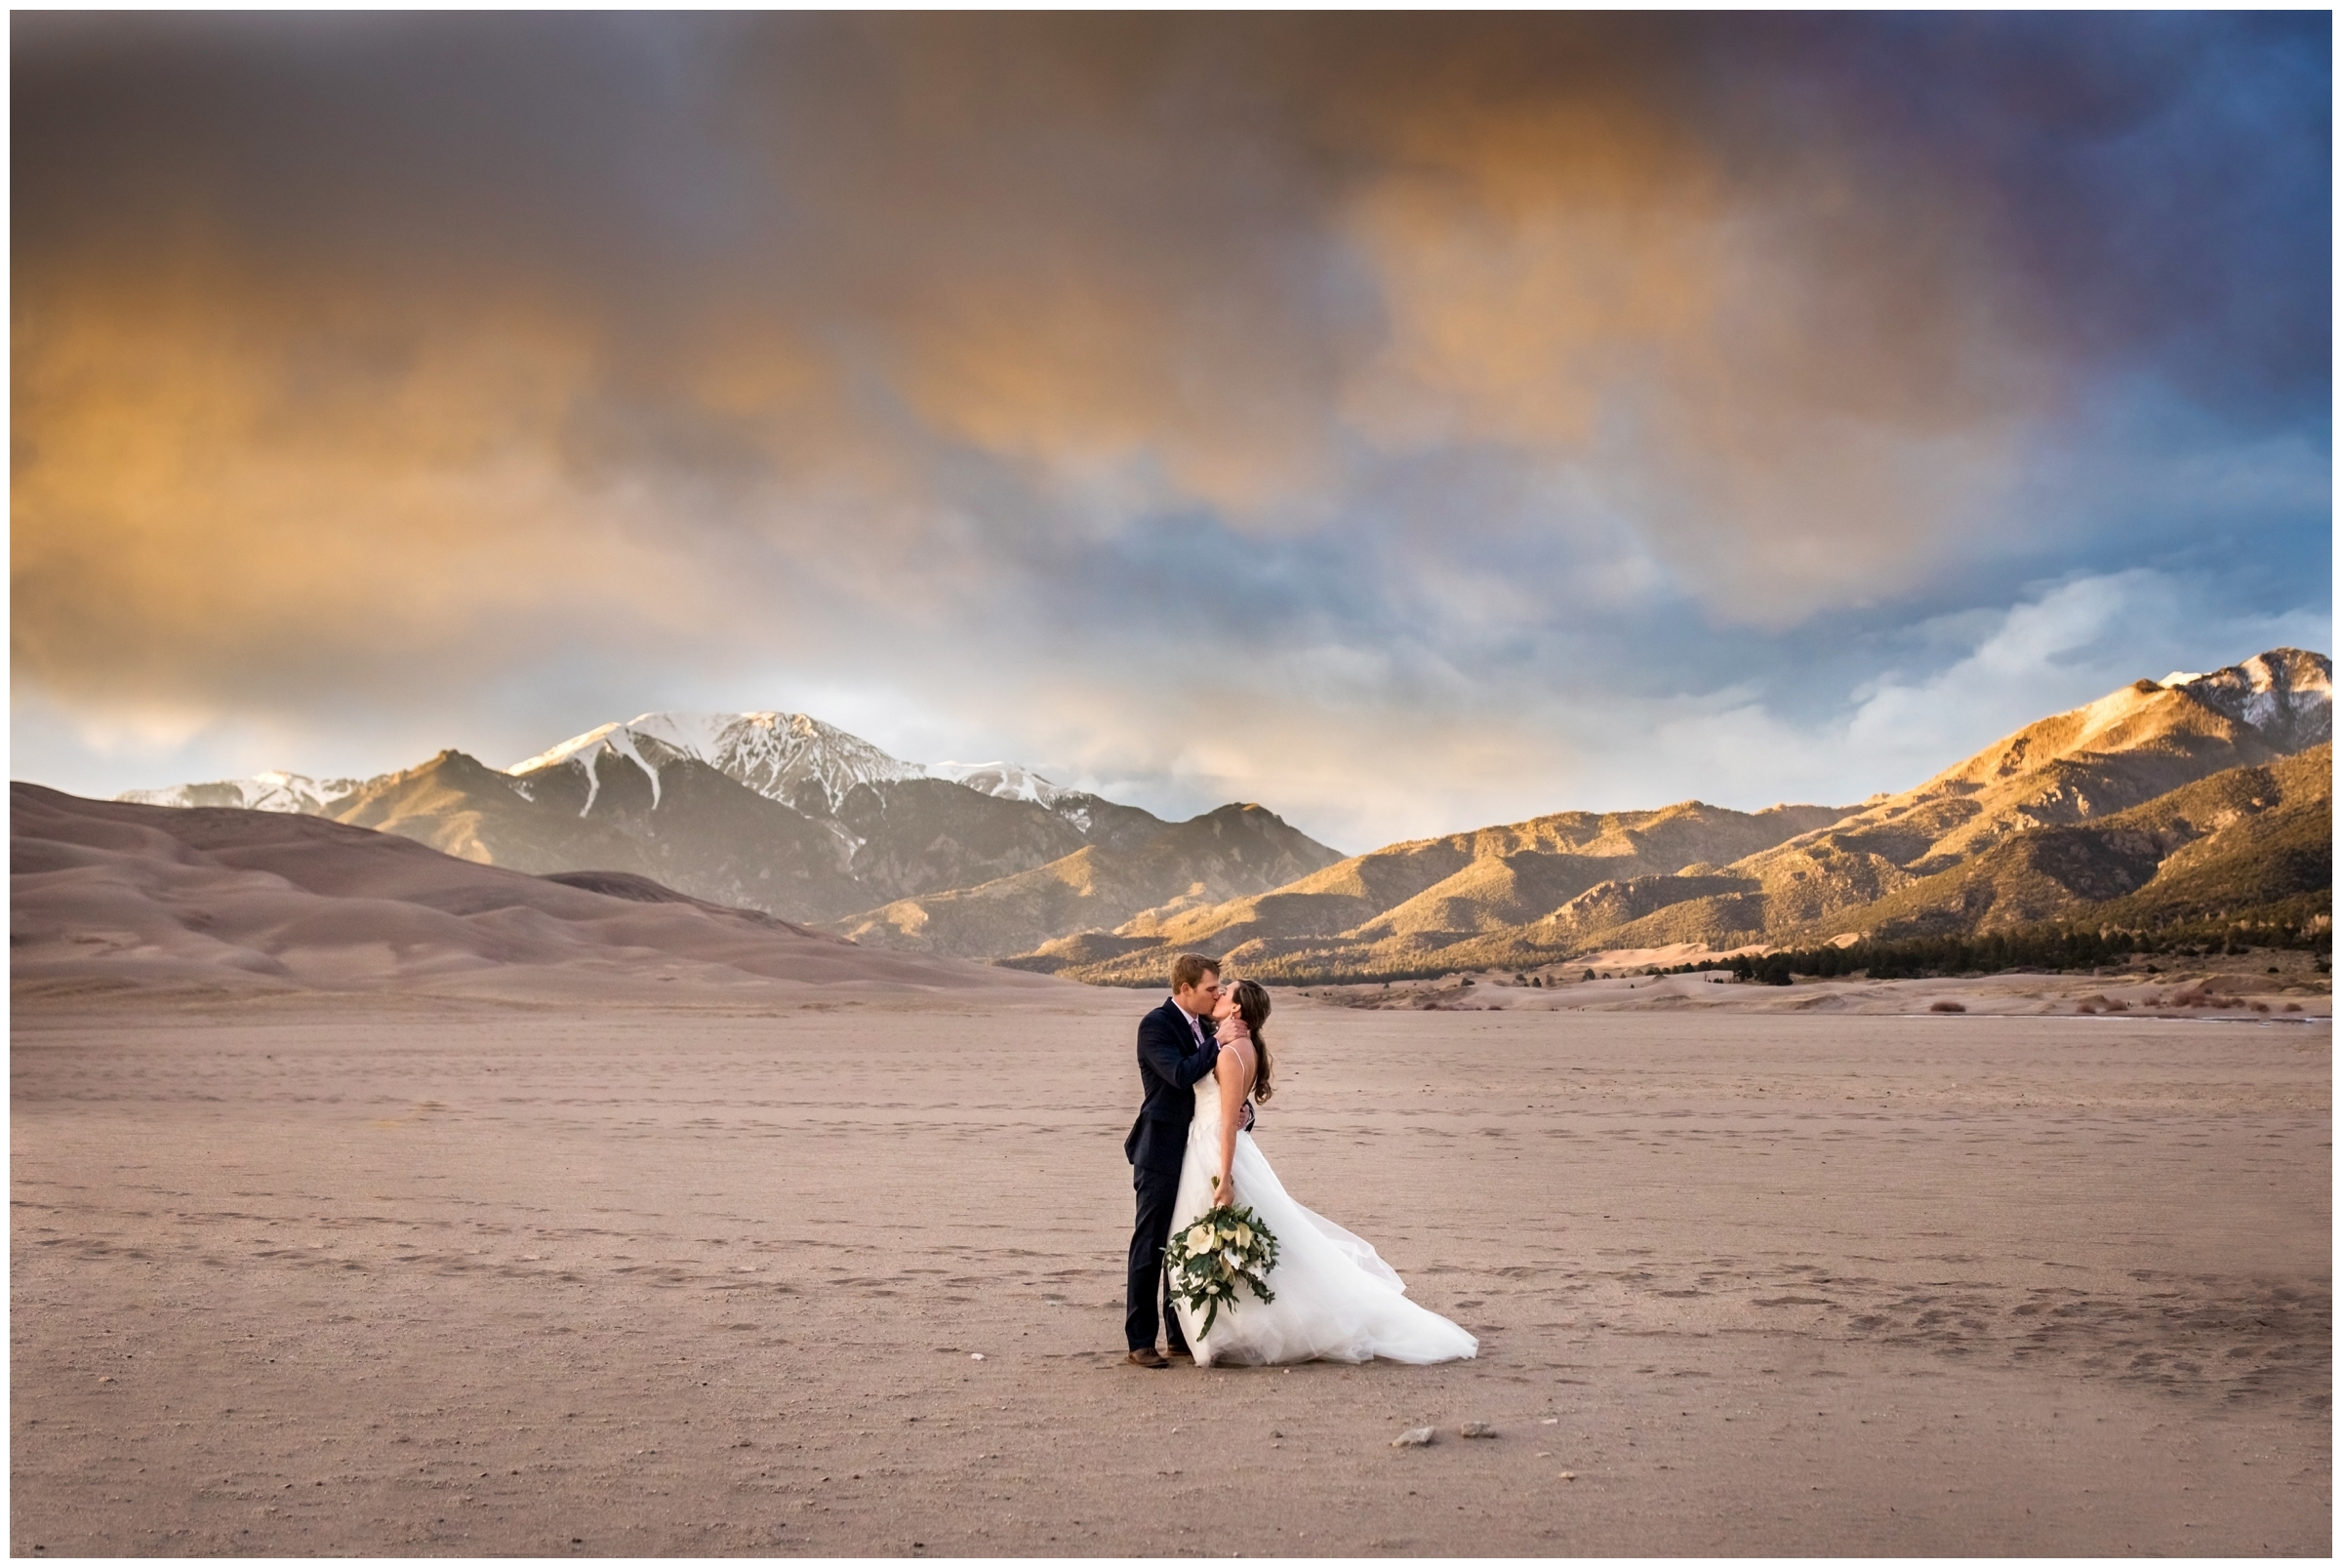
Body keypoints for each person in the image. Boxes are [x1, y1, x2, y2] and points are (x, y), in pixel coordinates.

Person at [1164, 977, 1477, 1367]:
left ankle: (1244, 1330)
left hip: (1216, 1152)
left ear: (1237, 1009)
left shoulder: (1230, 1054)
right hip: (1215, 1147)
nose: (1219, 994)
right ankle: (1227, 1329)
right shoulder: (1242, 1047)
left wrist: (1224, 1180)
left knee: (1223, 1239)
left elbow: (1228, 1123)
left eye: (1225, 992)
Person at [1124, 953, 1245, 1368]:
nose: (1217, 994)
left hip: (1197, 1151)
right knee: (1152, 1243)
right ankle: (1140, 1341)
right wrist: (1218, 1041)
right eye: (1212, 988)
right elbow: (1179, 1075)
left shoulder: (1206, 1027)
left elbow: (1216, 1089)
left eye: (1219, 989)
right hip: (1159, 1150)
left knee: (1185, 1243)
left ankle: (1179, 1336)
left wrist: (1242, 1114)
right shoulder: (1155, 1025)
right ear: (1185, 989)